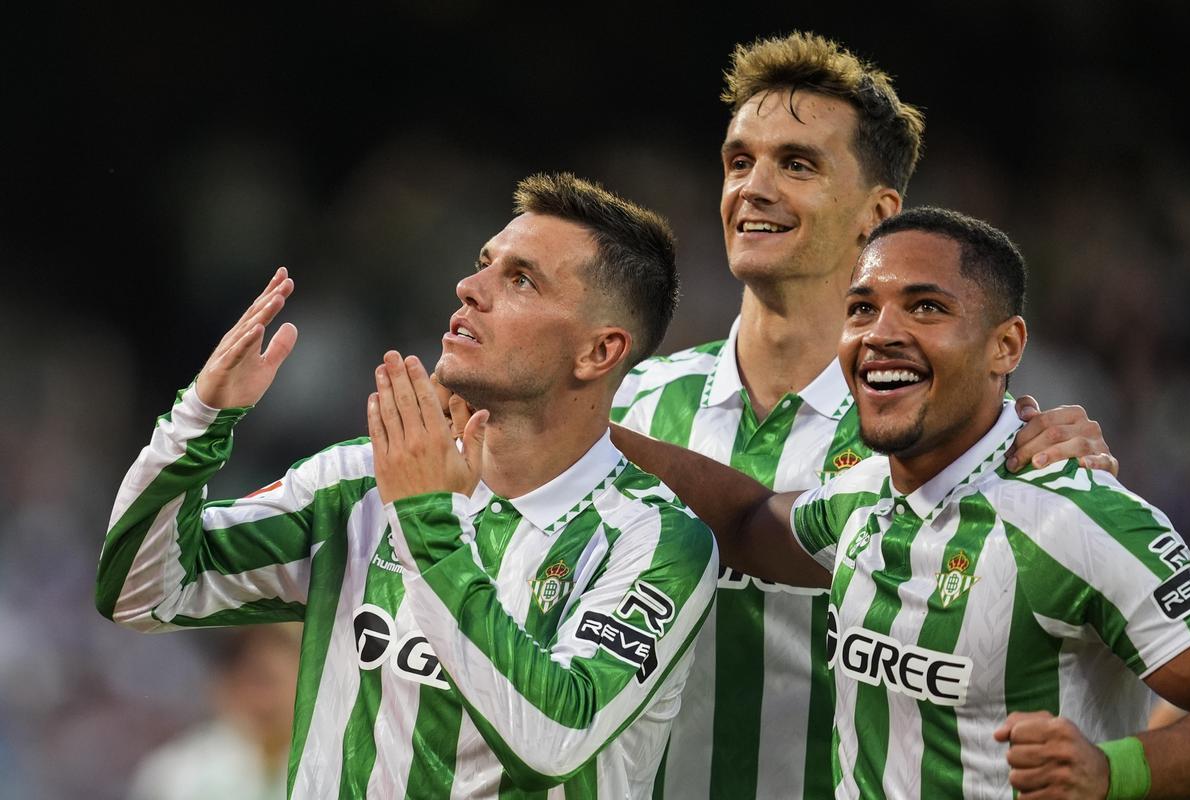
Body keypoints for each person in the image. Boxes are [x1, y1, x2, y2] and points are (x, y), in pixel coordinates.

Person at [96, 173, 718, 799]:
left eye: (521, 279)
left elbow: (553, 738)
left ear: (599, 352)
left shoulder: (656, 540)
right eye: (483, 265)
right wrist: (200, 421)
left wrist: (426, 523)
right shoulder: (356, 485)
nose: (469, 289)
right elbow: (140, 591)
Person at [610, 31, 1115, 799]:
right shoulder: (637, 399)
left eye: (798, 163)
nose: (754, 186)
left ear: (877, 214)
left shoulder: (956, 437)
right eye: (739, 160)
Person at [614, 207, 1190, 798]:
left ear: (1006, 345)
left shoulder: (1075, 517)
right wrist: (575, 427)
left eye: (926, 307)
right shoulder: (862, 496)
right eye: (862, 308)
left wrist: (1112, 772)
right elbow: (745, 522)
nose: (881, 333)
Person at [127, 625, 301, 800]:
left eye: (268, 681)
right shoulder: (175, 777)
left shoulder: (322, 766)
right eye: (241, 682)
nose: (260, 700)